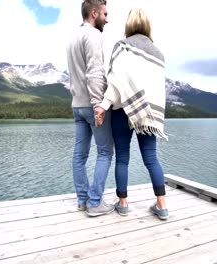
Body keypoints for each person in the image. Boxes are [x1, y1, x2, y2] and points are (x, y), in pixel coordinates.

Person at [95, 8, 169, 220]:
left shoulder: (122, 46)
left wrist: (104, 104)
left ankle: (123, 203)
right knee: (151, 158)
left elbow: (117, 80)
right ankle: (162, 205)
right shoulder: (158, 54)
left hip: (122, 110)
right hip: (147, 113)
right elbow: (158, 88)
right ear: (147, 25)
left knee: (123, 159)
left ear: (129, 25)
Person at [66, 0, 114, 217]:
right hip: (91, 104)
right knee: (105, 152)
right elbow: (94, 72)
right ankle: (95, 203)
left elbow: (75, 74)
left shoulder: (72, 38)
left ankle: (82, 200)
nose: (107, 18)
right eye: (105, 13)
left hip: (77, 106)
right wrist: (99, 105)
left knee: (79, 156)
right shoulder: (93, 35)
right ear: (94, 13)